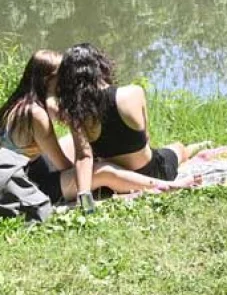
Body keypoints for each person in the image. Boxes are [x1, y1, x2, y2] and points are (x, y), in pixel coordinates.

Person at [0, 50, 185, 209]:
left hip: (22, 171)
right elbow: (64, 165)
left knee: (73, 143)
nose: (69, 80)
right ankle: (163, 186)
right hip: (28, 185)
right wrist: (87, 168)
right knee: (102, 171)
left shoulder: (18, 105)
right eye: (64, 75)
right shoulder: (37, 115)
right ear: (49, 80)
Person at [56, 43, 207, 199]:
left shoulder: (77, 112)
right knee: (178, 147)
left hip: (117, 183)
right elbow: (145, 138)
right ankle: (198, 147)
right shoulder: (133, 92)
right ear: (101, 65)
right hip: (153, 172)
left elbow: (83, 157)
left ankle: (197, 147)